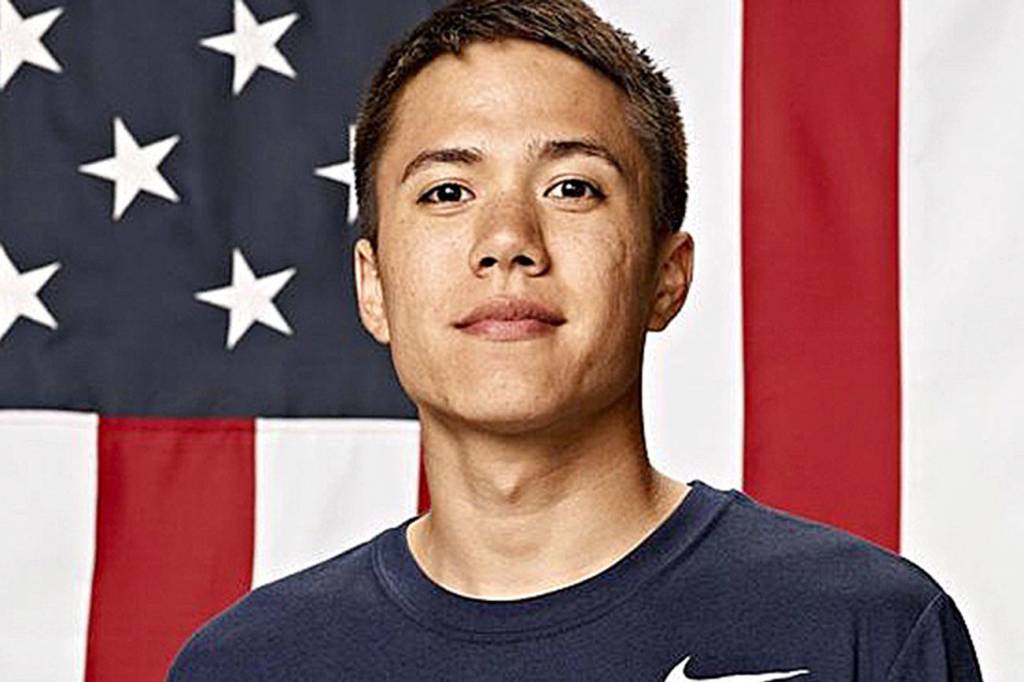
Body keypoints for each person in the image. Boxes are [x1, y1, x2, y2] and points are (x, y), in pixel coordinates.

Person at [168, 0, 983, 679]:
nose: (508, 240)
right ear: (372, 287)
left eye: (572, 187)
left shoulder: (864, 633)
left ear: (667, 276)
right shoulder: (248, 666)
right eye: (447, 191)